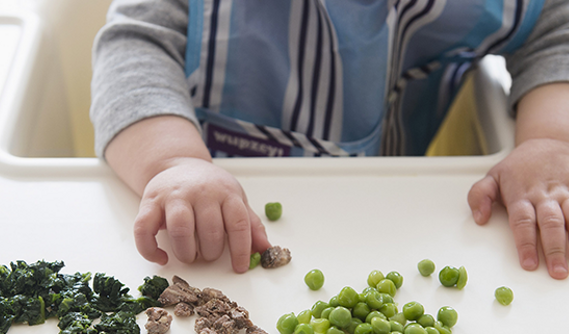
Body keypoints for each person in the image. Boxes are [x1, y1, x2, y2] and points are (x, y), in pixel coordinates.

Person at [91, 0, 569, 278]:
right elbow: (135, 48)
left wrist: (549, 140)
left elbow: (555, 31)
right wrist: (173, 162)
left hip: (386, 208)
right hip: (202, 202)